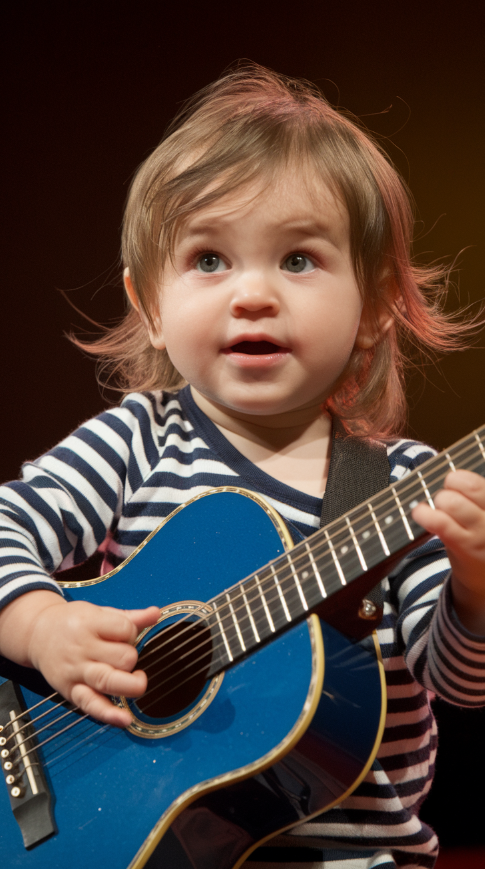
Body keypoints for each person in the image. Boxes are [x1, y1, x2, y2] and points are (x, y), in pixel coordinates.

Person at [1, 63, 485, 869]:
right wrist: (40, 624)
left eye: (297, 260)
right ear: (151, 306)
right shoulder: (138, 441)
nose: (251, 294)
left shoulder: (404, 482)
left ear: (372, 307)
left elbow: (460, 682)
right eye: (209, 260)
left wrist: (474, 588)